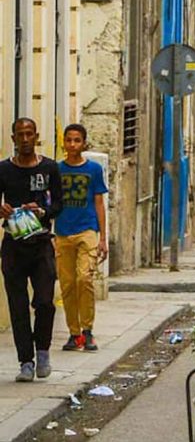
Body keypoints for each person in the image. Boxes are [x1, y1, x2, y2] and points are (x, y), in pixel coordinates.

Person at [0, 118, 62, 381]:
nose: (25, 139)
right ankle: (26, 361)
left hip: (41, 243)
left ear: (36, 137)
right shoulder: (3, 169)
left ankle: (43, 349)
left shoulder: (49, 168)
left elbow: (59, 204)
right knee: (18, 304)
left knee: (46, 301)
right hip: (14, 244)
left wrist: (43, 211)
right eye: (20, 135)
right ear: (13, 139)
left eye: (29, 134)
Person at [56, 124, 108, 352]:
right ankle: (73, 333)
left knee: (84, 279)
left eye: (77, 140)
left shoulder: (94, 170)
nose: (73, 145)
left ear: (84, 143)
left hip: (87, 230)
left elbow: (99, 203)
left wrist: (103, 237)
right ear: (64, 143)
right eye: (69, 140)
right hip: (63, 231)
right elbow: (51, 202)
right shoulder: (56, 170)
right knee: (67, 285)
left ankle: (87, 330)